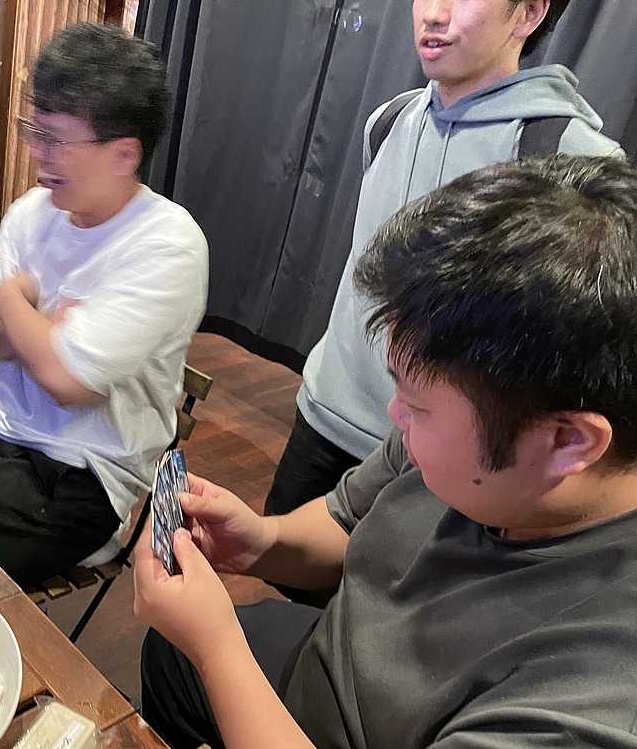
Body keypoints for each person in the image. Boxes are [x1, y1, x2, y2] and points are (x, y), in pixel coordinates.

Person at [136, 155, 637, 749]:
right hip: (325, 665)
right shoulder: (457, 444)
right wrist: (260, 544)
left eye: (418, 406)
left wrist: (217, 648)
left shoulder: (595, 691)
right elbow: (348, 522)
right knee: (170, 654)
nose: (396, 416)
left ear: (568, 441)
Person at [266, 0, 626, 531]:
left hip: (444, 463)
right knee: (278, 555)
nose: (434, 13)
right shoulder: (389, 121)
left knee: (379, 586)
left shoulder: (567, 153)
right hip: (325, 414)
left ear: (528, 14)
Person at [0, 24, 209, 587]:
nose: (37, 154)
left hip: (80, 472)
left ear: (124, 154)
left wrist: (12, 298)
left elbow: (66, 381)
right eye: (34, 131)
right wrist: (43, 332)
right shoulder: (34, 211)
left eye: (56, 139)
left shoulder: (167, 243)